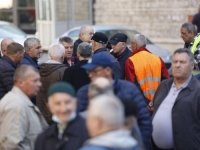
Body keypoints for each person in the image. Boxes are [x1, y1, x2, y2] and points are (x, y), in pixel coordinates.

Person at [77, 52, 152, 150]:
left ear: (108, 70)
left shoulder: (129, 90)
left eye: (94, 71)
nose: (90, 75)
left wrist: (140, 145)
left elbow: (144, 121)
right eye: (89, 72)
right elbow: (77, 124)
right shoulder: (84, 93)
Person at [151, 48, 200, 150]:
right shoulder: (164, 85)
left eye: (182, 62)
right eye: (175, 61)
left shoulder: (197, 90)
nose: (177, 65)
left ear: (192, 66)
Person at [0, 65, 48, 150]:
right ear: (21, 82)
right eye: (35, 81)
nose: (39, 84)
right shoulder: (16, 105)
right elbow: (9, 146)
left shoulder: (20, 101)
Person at [35, 82, 89, 150]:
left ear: (76, 103)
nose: (63, 109)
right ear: (49, 107)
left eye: (67, 102)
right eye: (57, 104)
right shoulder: (43, 138)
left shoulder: (89, 132)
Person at [125, 34, 169, 102]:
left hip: (141, 103)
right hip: (157, 102)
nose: (130, 47)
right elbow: (167, 81)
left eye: (131, 45)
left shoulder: (130, 61)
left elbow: (132, 86)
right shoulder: (158, 59)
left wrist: (147, 102)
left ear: (135, 45)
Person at [36, 44, 67, 124]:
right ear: (63, 55)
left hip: (41, 112)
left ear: (49, 55)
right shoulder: (64, 71)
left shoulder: (40, 69)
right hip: (57, 113)